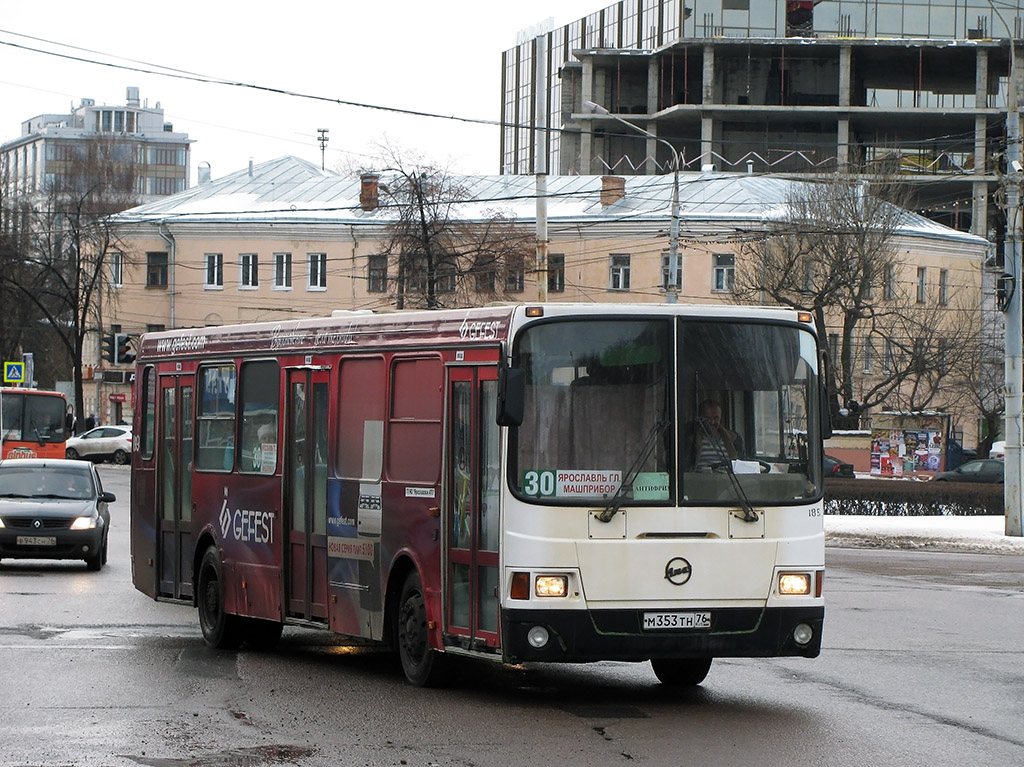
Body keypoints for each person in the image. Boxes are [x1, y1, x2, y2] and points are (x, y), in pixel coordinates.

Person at [688, 399, 744, 470]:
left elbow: (743, 465)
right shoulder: (691, 442)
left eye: (716, 418)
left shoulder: (735, 440)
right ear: (700, 418)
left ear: (721, 418)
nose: (712, 422)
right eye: (708, 418)